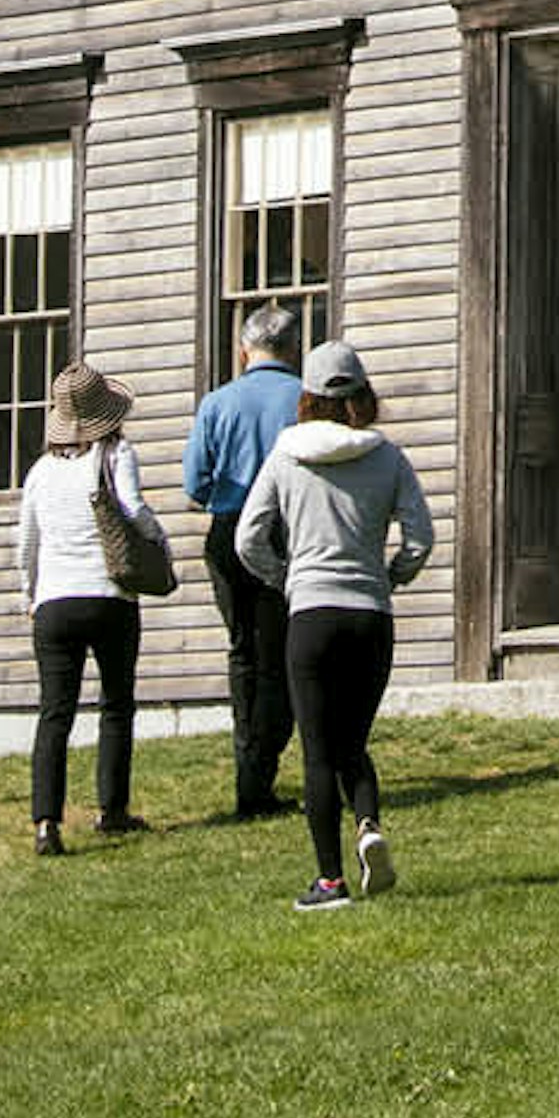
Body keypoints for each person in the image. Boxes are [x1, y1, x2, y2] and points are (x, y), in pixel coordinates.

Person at [232, 347, 436, 906]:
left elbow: (248, 537)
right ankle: (367, 824)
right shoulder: (387, 456)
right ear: (363, 397)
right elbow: (420, 536)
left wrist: (285, 578)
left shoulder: (286, 454)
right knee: (353, 740)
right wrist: (390, 576)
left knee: (318, 751)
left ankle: (330, 882)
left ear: (309, 397)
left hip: (312, 614)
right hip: (370, 614)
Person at [17, 358, 169, 856]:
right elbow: (133, 509)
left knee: (54, 713)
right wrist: (160, 547)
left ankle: (46, 822)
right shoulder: (115, 452)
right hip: (109, 594)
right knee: (116, 705)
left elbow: (27, 545)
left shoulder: (40, 471)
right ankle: (112, 809)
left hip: (54, 601)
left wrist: (30, 594)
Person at [182, 293, 308, 822]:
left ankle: (246, 765)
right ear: (293, 348)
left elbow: (195, 483)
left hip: (229, 530)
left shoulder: (217, 403)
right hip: (284, 530)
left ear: (244, 351)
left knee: (242, 651)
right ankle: (259, 772)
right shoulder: (306, 399)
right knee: (278, 658)